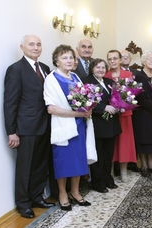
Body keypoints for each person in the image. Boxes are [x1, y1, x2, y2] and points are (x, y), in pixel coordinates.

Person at [3, 35, 54, 218]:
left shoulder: (46, 68)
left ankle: (37, 197)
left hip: (44, 126)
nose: (35, 47)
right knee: (25, 168)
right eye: (31, 44)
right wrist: (11, 132)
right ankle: (23, 203)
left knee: (40, 165)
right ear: (22, 47)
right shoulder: (15, 69)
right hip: (25, 128)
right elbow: (10, 103)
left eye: (38, 44)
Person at [43, 44, 93, 211]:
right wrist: (78, 114)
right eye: (64, 57)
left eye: (71, 57)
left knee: (78, 159)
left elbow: (84, 100)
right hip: (63, 125)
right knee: (63, 161)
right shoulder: (51, 79)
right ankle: (63, 194)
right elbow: (51, 108)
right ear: (56, 61)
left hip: (79, 125)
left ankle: (75, 192)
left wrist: (88, 108)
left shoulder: (75, 77)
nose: (69, 60)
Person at [82, 58, 122, 192]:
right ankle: (98, 183)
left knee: (108, 154)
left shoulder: (110, 82)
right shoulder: (87, 81)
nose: (100, 70)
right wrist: (103, 108)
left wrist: (119, 105)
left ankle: (107, 179)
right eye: (98, 67)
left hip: (111, 123)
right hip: (97, 124)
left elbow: (117, 98)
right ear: (92, 68)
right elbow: (86, 101)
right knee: (98, 154)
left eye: (103, 67)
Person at [105, 50, 136, 184]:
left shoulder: (128, 75)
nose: (112, 61)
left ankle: (124, 171)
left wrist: (125, 101)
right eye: (110, 59)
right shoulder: (104, 75)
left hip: (125, 113)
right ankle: (110, 172)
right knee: (111, 143)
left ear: (120, 60)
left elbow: (133, 93)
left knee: (124, 143)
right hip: (110, 114)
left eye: (115, 58)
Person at [132, 51, 152, 176]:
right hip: (143, 114)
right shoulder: (139, 76)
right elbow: (138, 98)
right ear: (144, 61)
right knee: (144, 142)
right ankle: (144, 167)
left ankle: (151, 165)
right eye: (149, 59)